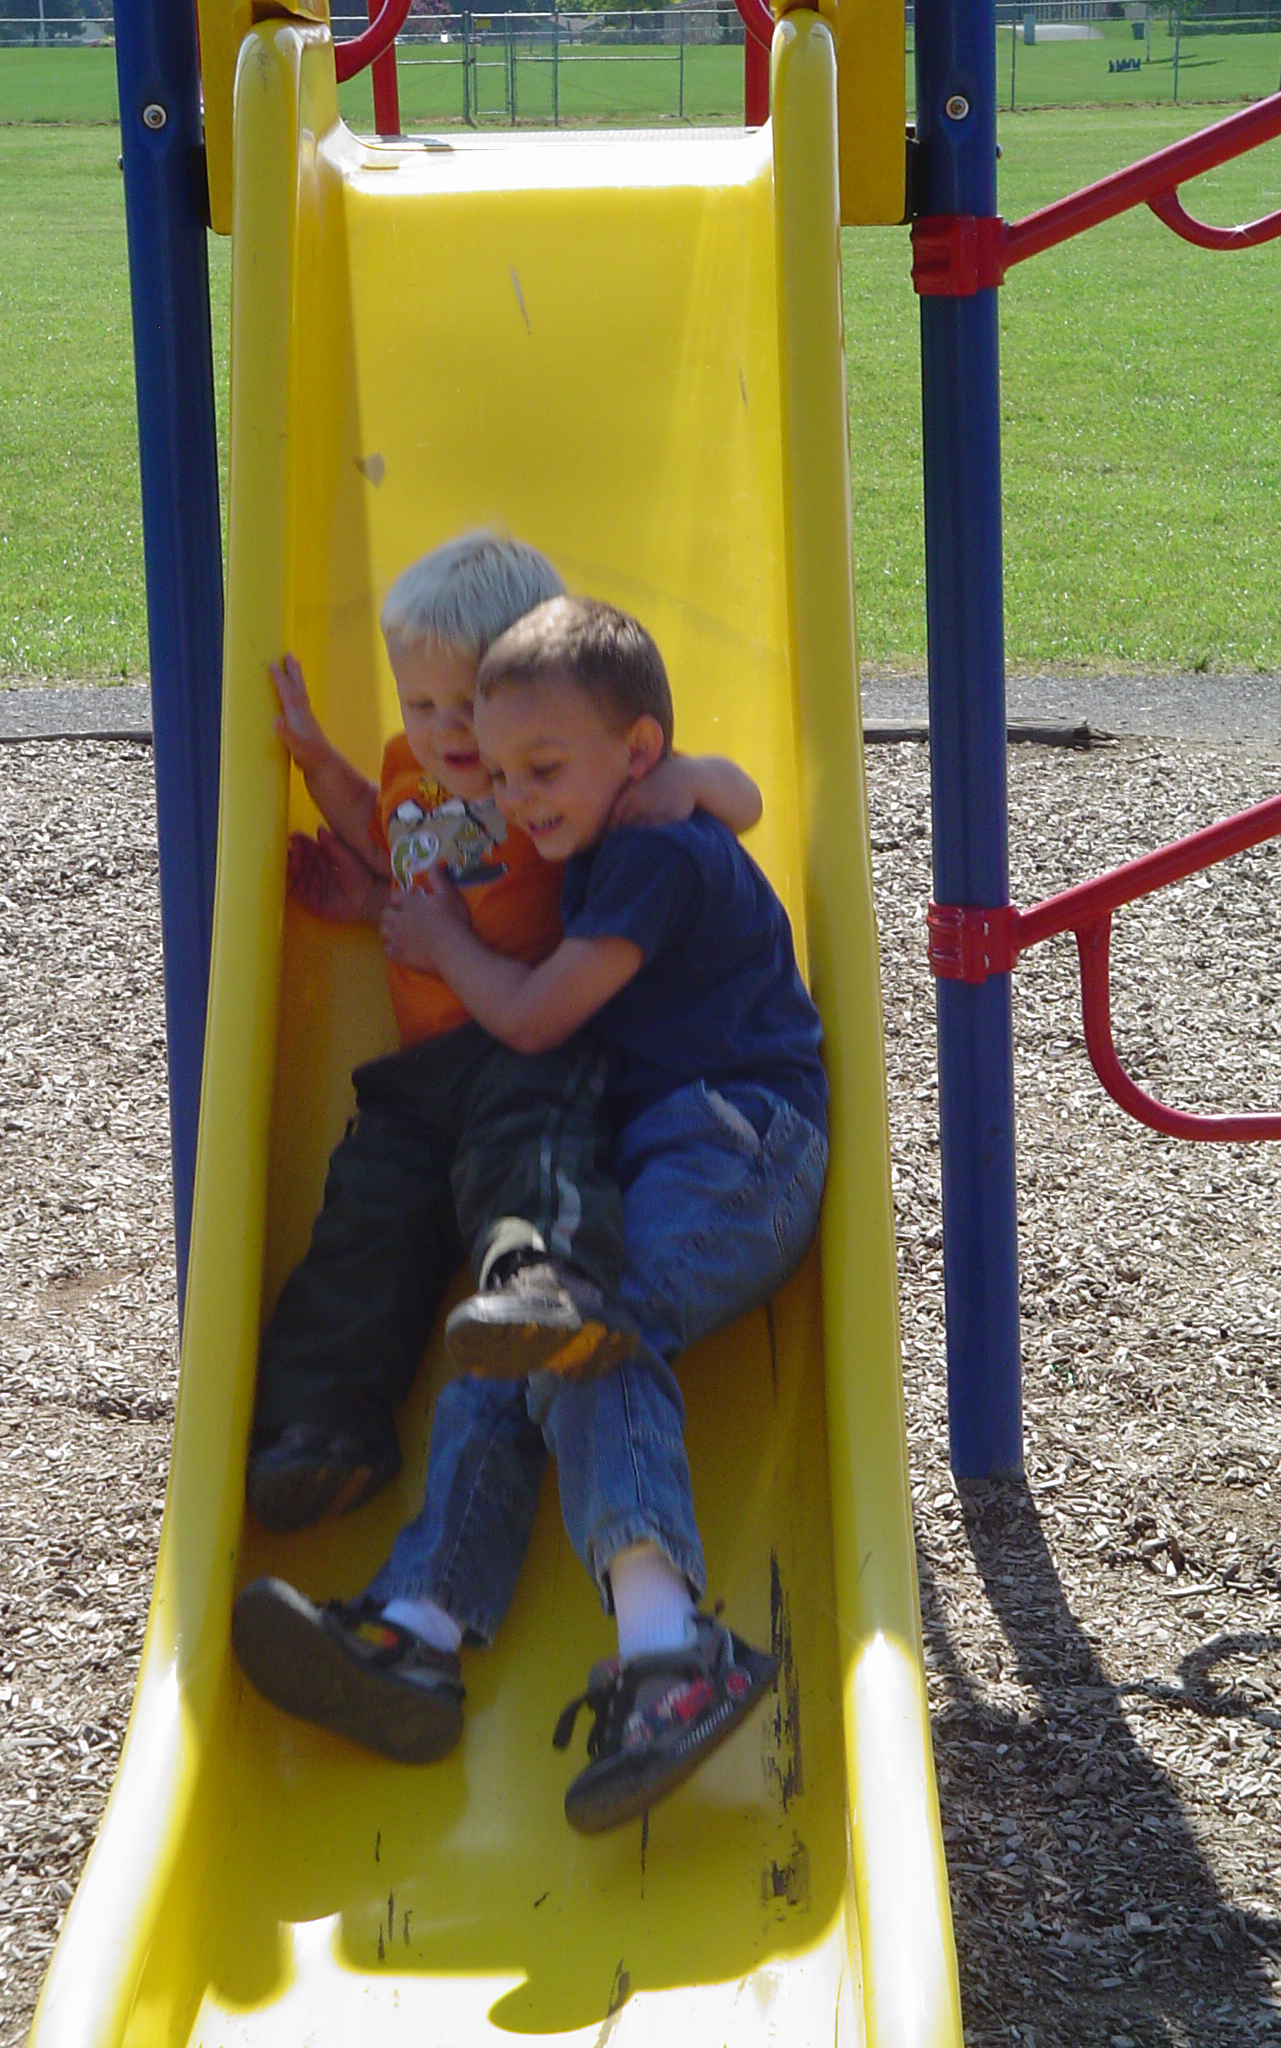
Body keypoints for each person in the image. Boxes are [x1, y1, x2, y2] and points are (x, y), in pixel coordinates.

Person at [232, 596, 828, 1835]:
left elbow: (533, 1013)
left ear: (639, 755)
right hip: (668, 1146)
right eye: (500, 773)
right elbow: (495, 877)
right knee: (505, 1359)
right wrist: (378, 903)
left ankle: (676, 1650)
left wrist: (443, 939)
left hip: (735, 1140)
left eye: (544, 769)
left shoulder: (654, 853)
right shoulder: (600, 834)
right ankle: (418, 1628)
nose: (518, 798)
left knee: (580, 1329)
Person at [246, 536, 761, 1542]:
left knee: (533, 1154)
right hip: (415, 1074)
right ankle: (322, 1424)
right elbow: (382, 832)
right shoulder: (408, 771)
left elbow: (734, 807)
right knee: (366, 1215)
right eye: (420, 701)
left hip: (529, 1042)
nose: (444, 731)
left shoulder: (545, 786)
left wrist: (695, 774)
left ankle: (544, 1281)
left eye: (464, 704)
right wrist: (318, 765)